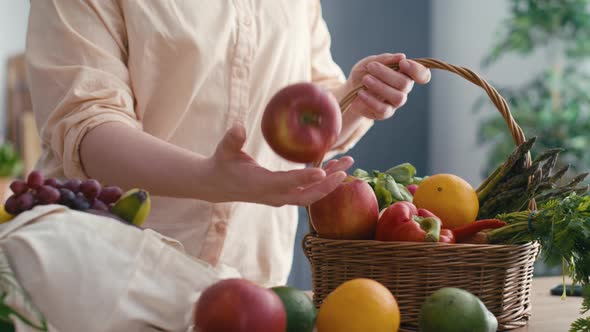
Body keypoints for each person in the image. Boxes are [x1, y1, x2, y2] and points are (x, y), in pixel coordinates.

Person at [25, 0, 431, 287]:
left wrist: (355, 98)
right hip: (105, 277)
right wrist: (213, 179)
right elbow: (86, 129)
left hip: (252, 279)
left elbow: (314, 117)